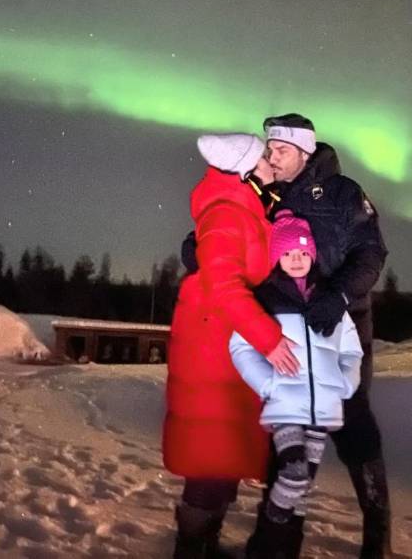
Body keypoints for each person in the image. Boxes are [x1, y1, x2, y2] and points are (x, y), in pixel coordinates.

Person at [164, 133, 300, 559]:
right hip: (212, 349)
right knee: (210, 457)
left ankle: (203, 543)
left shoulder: (244, 207)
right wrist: (270, 340)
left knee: (220, 456)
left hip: (223, 346)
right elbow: (224, 285)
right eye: (264, 161)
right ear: (244, 169)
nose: (271, 167)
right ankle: (191, 548)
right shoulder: (225, 212)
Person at [261, 113, 390, 557]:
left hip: (344, 325)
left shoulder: (344, 194)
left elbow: (371, 254)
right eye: (269, 148)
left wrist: (336, 296)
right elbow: (225, 236)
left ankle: (377, 536)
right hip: (288, 329)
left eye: (280, 150)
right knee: (290, 427)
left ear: (304, 152)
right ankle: (278, 542)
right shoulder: (265, 194)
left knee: (351, 418)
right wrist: (198, 247)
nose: (270, 157)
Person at [230, 211, 364, 557]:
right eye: (289, 253)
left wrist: (345, 384)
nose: (297, 259)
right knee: (293, 472)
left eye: (304, 253)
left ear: (313, 256)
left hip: (323, 411)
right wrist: (267, 384)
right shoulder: (268, 297)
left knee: (302, 494)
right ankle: (272, 523)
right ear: (277, 257)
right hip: (286, 406)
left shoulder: (330, 301)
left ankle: (279, 546)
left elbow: (352, 350)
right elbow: (241, 345)